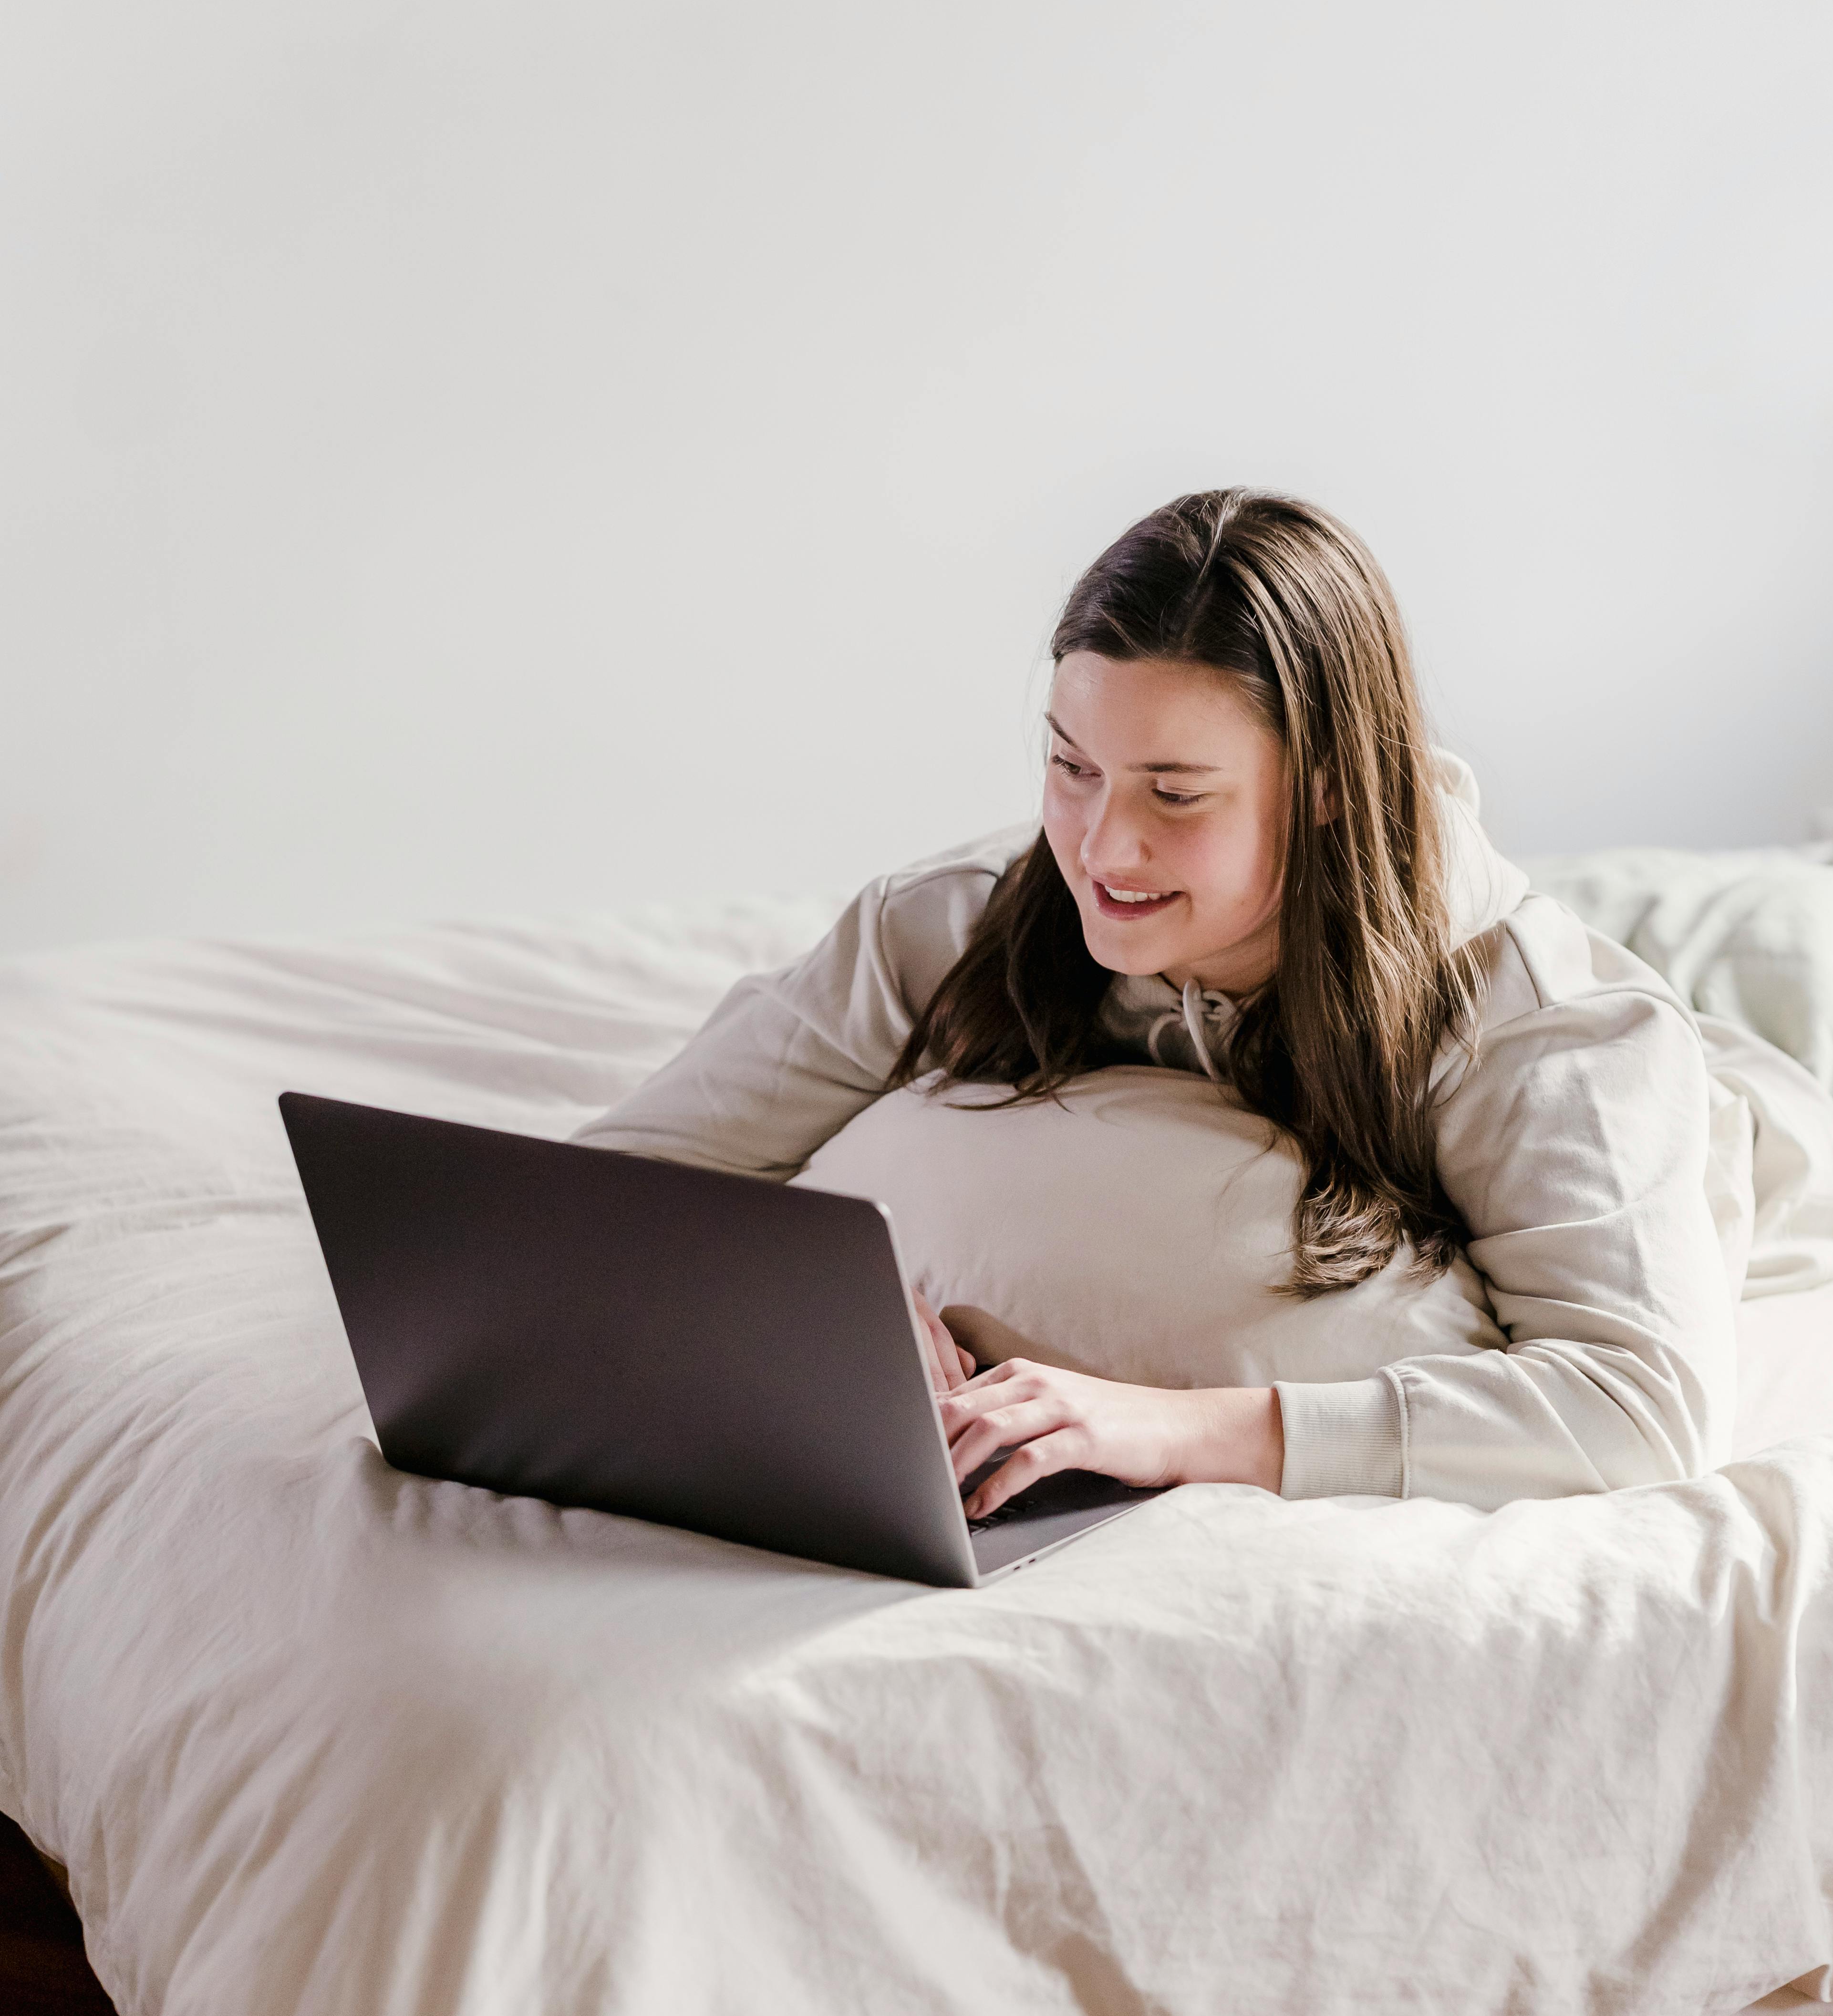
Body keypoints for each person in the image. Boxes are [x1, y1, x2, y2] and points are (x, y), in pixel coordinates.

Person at [576, 490, 1734, 1520]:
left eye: (1176, 794)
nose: (1103, 848)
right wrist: (824, 1302)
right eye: (1072, 768)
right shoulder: (942, 925)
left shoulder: (1556, 1035)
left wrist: (1162, 1427)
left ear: (1329, 790)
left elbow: (1637, 1405)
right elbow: (604, 1192)